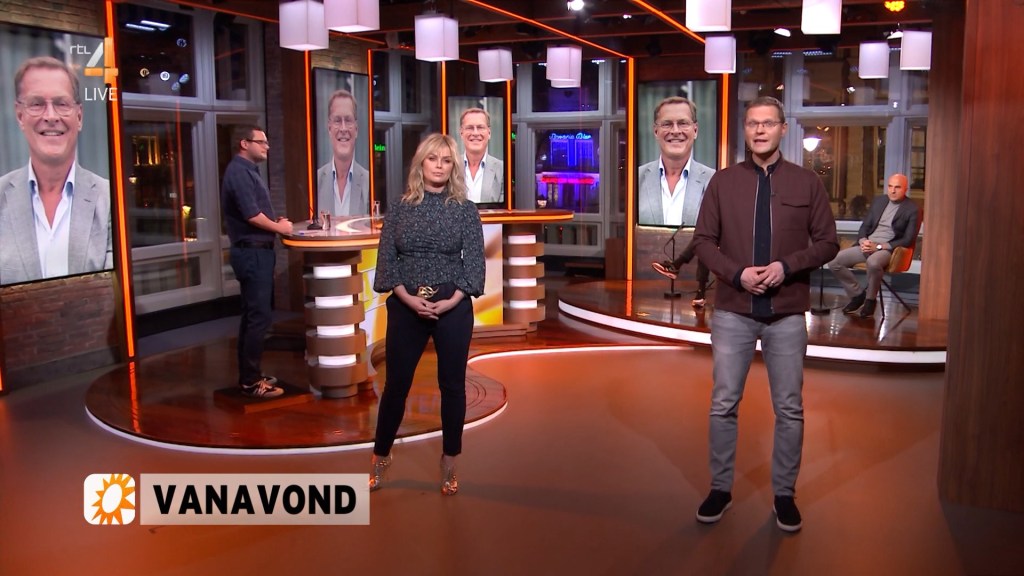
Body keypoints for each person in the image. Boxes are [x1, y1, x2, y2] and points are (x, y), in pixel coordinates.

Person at [692, 96, 839, 532]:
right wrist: (737, 274)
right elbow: (703, 242)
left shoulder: (807, 183)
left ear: (782, 129)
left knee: (789, 408)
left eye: (768, 123)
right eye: (753, 123)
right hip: (733, 311)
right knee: (723, 404)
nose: (760, 130)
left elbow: (828, 243)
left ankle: (784, 495)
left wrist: (786, 267)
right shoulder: (722, 183)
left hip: (787, 314)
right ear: (745, 129)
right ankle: (720, 489)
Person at [369, 133, 485, 496]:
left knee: (452, 386)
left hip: (453, 307)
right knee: (396, 386)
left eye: (446, 160)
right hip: (407, 305)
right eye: (433, 159)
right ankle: (380, 456)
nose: (439, 166)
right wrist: (407, 297)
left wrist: (451, 301)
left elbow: (475, 265)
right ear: (421, 163)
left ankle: (449, 461)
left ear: (453, 167)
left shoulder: (465, 210)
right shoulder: (400, 209)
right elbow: (387, 262)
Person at [0, 56, 112, 286]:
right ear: (20, 116)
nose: (51, 116)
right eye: (36, 104)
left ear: (79, 116)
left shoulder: (110, 200)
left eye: (62, 104)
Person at [221, 125, 292, 399]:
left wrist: (275, 223)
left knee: (253, 316)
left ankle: (249, 376)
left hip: (257, 252)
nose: (267, 147)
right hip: (251, 253)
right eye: (261, 142)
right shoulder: (239, 172)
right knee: (258, 317)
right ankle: (251, 382)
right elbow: (251, 215)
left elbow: (256, 213)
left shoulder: (248, 171)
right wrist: (279, 228)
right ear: (244, 143)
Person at [640, 97, 715, 307]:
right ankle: (677, 267)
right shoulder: (636, 178)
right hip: (645, 288)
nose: (675, 131)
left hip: (704, 260)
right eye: (667, 124)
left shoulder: (714, 179)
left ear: (695, 130)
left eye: (683, 123)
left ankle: (679, 269)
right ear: (656, 131)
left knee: (705, 238)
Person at [828, 173, 920, 319]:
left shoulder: (912, 209)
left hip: (887, 249)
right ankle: (857, 295)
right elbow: (865, 226)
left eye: (897, 187)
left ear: (905, 189)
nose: (893, 191)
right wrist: (863, 240)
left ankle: (870, 301)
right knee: (834, 261)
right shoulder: (879, 201)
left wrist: (879, 247)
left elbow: (908, 239)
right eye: (890, 186)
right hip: (868, 244)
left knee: (873, 262)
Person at [316, 89, 370, 217]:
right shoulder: (315, 182)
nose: (343, 128)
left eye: (348, 120)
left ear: (356, 129)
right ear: (329, 128)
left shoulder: (369, 183)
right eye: (337, 120)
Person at [458, 107, 504, 204]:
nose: (475, 133)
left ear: (489, 133)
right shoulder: (451, 167)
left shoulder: (502, 169)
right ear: (461, 133)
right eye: (470, 128)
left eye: (480, 127)